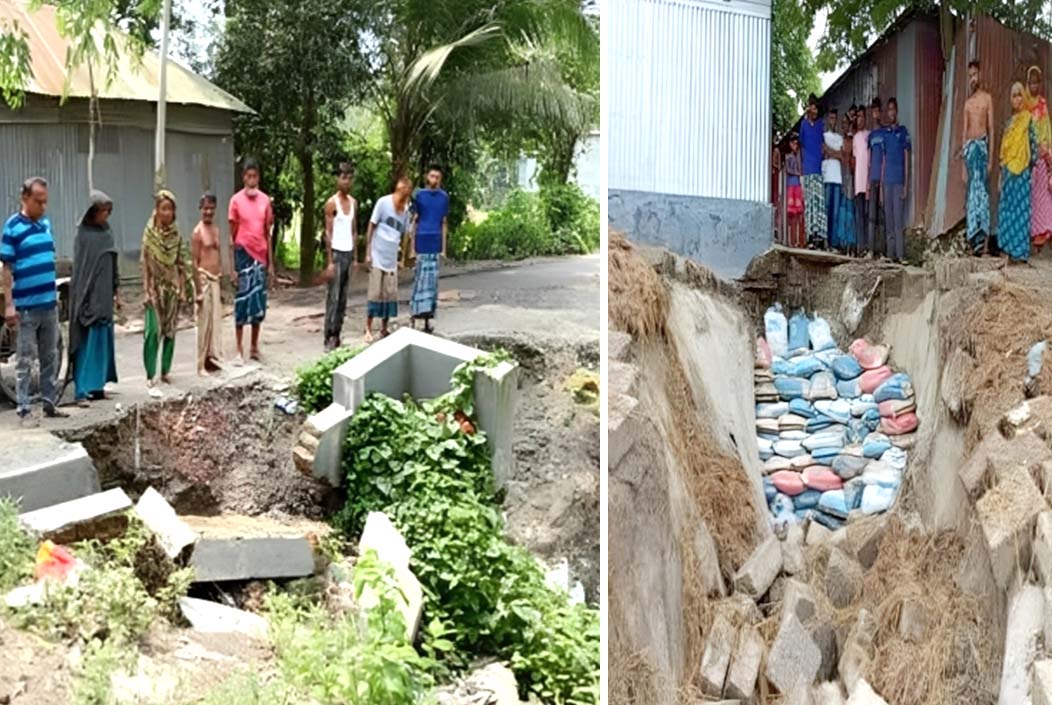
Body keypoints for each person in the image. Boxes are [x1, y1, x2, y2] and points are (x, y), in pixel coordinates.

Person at [1, 177, 66, 423]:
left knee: (50, 356)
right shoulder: (12, 228)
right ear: (25, 198)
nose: (43, 207)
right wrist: (9, 303)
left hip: (49, 302)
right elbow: (6, 269)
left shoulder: (45, 224)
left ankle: (50, 403)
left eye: (45, 202)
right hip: (26, 306)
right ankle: (24, 408)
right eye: (39, 202)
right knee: (25, 359)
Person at [69, 191, 119, 406]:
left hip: (104, 295)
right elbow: (82, 269)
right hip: (88, 297)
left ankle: (97, 387)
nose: (105, 216)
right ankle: (81, 389)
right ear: (93, 212)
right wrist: (84, 296)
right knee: (86, 342)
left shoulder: (107, 232)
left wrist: (116, 288)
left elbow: (112, 262)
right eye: (102, 211)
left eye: (108, 211)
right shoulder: (83, 235)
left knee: (102, 341)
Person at [228, 158, 274, 362]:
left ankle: (254, 347)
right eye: (248, 176)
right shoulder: (235, 201)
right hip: (242, 254)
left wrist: (270, 263)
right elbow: (232, 235)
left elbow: (268, 233)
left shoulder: (265, 201)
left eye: (254, 176)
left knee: (258, 303)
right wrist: (232, 267)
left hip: (261, 257)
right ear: (243, 178)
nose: (251, 179)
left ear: (259, 178)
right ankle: (239, 349)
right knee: (241, 302)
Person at [141, 189, 186, 398]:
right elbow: (145, 264)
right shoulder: (149, 234)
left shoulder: (176, 235)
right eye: (163, 209)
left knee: (170, 331)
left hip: (172, 288)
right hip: (154, 289)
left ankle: (165, 371)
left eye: (170, 209)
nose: (166, 213)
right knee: (153, 331)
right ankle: (150, 374)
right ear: (157, 210)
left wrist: (183, 288)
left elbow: (181, 263)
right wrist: (146, 290)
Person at [364, 176, 412, 341]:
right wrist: (368, 251)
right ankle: (368, 328)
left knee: (389, 294)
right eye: (401, 192)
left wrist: (402, 258)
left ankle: (384, 328)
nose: (403, 197)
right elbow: (372, 225)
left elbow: (406, 234)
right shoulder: (383, 203)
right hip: (378, 254)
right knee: (375, 292)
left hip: (391, 258)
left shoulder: (406, 210)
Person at [998, 82, 1038, 264]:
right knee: (1007, 209)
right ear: (1010, 100)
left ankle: (1020, 253)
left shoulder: (1028, 119)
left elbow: (1033, 147)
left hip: (1022, 172)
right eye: (1014, 95)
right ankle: (1006, 249)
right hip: (1008, 172)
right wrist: (1000, 175)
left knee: (1021, 212)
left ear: (1024, 97)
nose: (1017, 99)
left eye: (1020, 95)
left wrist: (1030, 170)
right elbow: (1003, 151)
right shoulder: (1008, 123)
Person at [409, 165, 450, 333]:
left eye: (437, 177)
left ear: (440, 180)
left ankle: (427, 321)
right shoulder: (419, 195)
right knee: (418, 281)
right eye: (432, 176)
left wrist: (443, 248)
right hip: (421, 240)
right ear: (427, 177)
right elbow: (414, 221)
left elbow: (444, 222)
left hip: (434, 242)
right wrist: (411, 248)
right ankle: (413, 319)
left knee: (431, 285)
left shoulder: (443, 197)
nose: (434, 180)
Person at [322, 163, 358, 350]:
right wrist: (329, 261)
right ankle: (328, 334)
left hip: (348, 251)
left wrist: (355, 257)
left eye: (349, 178)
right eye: (343, 177)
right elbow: (328, 232)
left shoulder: (353, 203)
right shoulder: (331, 203)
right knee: (333, 296)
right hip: (336, 252)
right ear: (338, 179)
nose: (346, 182)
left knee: (343, 297)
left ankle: (338, 333)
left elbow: (354, 230)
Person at [962, 60, 994, 256]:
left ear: (980, 75)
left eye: (975, 74)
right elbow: (963, 134)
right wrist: (962, 167)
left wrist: (990, 159)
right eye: (970, 76)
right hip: (970, 153)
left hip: (982, 151)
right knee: (971, 198)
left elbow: (992, 129)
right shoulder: (967, 103)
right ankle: (973, 243)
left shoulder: (987, 99)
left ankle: (986, 245)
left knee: (983, 197)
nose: (973, 78)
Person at [191, 192, 224, 375]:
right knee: (203, 323)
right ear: (200, 209)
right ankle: (200, 364)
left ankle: (211, 359)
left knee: (214, 322)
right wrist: (198, 290)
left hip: (215, 278)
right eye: (205, 208)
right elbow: (194, 263)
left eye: (211, 208)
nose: (208, 211)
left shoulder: (216, 229)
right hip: (203, 278)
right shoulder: (198, 232)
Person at [881, 97, 912, 263]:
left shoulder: (903, 132)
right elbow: (884, 161)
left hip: (899, 181)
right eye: (889, 110)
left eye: (893, 109)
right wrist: (880, 187)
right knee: (889, 219)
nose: (891, 112)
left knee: (898, 218)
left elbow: (907, 159)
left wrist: (906, 184)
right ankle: (890, 255)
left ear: (897, 111)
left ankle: (900, 255)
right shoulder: (885, 135)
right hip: (887, 181)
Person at [1026, 66, 1052, 253]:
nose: (1034, 86)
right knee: (1031, 196)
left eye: (1037, 82)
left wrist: (1047, 149)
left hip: (1042, 155)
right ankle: (1032, 235)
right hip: (1028, 156)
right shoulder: (1025, 103)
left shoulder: (1042, 104)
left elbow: (1047, 129)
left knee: (1043, 196)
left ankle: (1043, 235)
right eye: (1031, 82)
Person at [799, 94, 826, 247]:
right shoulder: (803, 125)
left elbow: (822, 145)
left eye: (815, 107)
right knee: (809, 203)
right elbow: (801, 145)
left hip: (818, 168)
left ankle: (820, 236)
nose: (814, 110)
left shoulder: (820, 125)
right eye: (812, 107)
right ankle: (810, 236)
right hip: (808, 168)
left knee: (818, 203)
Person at [822, 107, 846, 250]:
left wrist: (831, 153)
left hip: (837, 178)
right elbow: (823, 150)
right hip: (826, 177)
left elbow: (842, 156)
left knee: (836, 212)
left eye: (834, 118)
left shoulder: (840, 138)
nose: (833, 121)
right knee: (826, 210)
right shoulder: (824, 136)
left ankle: (834, 243)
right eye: (830, 118)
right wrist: (835, 153)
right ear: (828, 120)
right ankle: (825, 242)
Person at [866, 97, 886, 257]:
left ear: (880, 112)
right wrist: (867, 182)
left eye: (878, 110)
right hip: (872, 178)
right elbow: (869, 160)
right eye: (873, 111)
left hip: (883, 178)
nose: (875, 114)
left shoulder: (884, 133)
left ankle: (882, 251)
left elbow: (885, 157)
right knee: (871, 215)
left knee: (882, 215)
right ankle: (871, 250)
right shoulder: (871, 136)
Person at [838, 111, 857, 255]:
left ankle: (851, 244)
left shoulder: (851, 140)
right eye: (843, 124)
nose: (844, 126)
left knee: (850, 212)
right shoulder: (841, 140)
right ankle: (843, 243)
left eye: (847, 123)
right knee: (843, 212)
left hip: (850, 178)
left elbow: (849, 158)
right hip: (841, 178)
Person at [852, 108, 871, 254]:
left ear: (865, 119)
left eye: (861, 117)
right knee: (859, 216)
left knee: (868, 216)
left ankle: (869, 247)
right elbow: (854, 159)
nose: (859, 119)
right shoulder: (855, 138)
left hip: (868, 182)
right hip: (858, 183)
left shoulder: (869, 135)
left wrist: (869, 181)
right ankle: (861, 247)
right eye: (857, 117)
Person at [785, 134, 805, 248]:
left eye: (796, 143)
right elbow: (788, 169)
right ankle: (790, 240)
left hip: (797, 186)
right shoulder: (788, 156)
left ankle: (797, 240)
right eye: (793, 143)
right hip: (790, 186)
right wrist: (797, 173)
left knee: (798, 214)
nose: (795, 145)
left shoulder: (798, 157)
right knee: (791, 214)